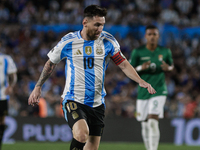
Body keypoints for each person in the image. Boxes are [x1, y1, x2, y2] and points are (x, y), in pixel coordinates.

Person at [28, 5, 156, 150]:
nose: (100, 29)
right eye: (97, 25)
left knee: (91, 148)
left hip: (97, 103)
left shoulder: (108, 41)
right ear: (85, 22)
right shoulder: (68, 41)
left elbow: (123, 64)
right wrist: (38, 86)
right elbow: (50, 64)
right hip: (73, 99)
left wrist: (140, 81)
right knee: (82, 135)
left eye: (102, 25)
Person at [129, 25, 174, 150]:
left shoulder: (165, 51)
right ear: (145, 36)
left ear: (158, 36)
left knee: (153, 121)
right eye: (150, 34)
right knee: (145, 125)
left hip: (159, 90)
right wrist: (140, 68)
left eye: (155, 34)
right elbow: (129, 70)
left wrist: (168, 68)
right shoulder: (137, 52)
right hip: (143, 92)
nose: (152, 37)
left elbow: (171, 66)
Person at [0, 41, 17, 150]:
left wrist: (11, 86)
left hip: (2, 95)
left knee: (2, 120)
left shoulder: (6, 59)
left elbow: (13, 75)